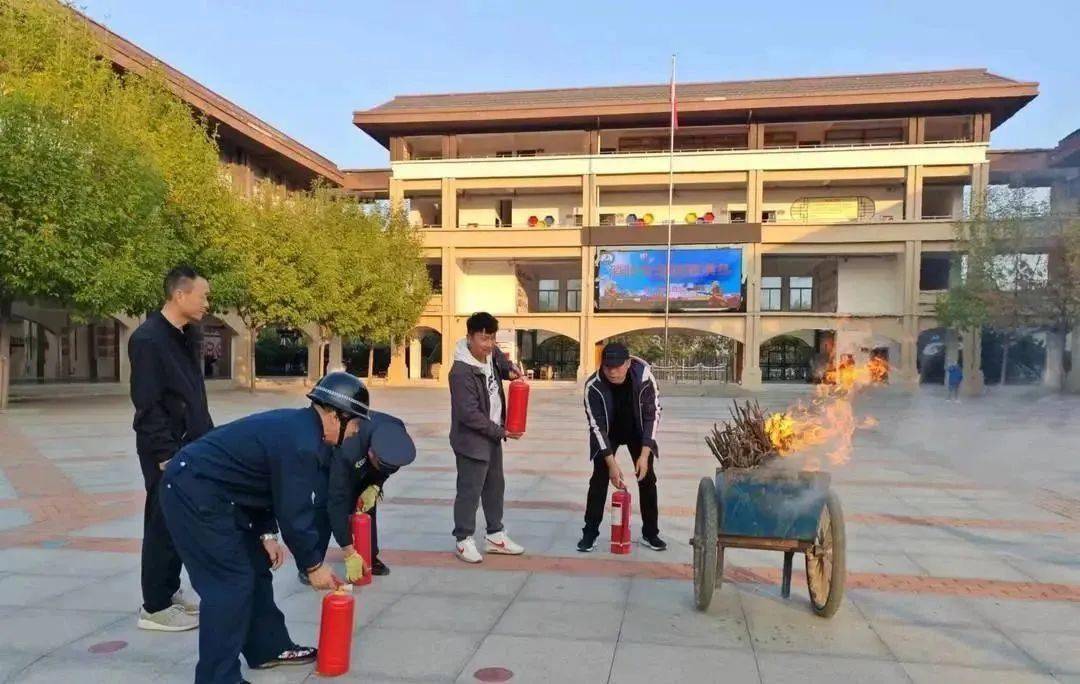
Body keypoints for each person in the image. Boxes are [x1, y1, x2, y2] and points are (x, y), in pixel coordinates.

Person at [160, 372, 365, 684]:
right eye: (355, 425)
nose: (355, 433)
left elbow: (267, 484)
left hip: (220, 493)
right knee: (228, 585)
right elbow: (294, 511)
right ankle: (218, 678)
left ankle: (267, 647)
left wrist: (266, 533)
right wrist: (313, 565)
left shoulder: (303, 432)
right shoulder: (301, 442)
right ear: (337, 415)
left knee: (254, 568)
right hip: (194, 491)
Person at [128, 265, 213, 632]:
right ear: (180, 295)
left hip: (191, 445)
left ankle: (169, 591)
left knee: (177, 521)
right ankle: (155, 607)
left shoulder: (185, 335)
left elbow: (191, 397)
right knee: (162, 524)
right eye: (203, 295)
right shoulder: (148, 340)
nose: (207, 303)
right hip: (166, 452)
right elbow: (147, 405)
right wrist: (165, 456)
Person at [449, 312, 525, 563]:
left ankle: (495, 535)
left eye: (492, 338)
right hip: (472, 439)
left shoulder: (491, 354)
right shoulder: (460, 371)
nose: (488, 344)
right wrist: (502, 432)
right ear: (469, 337)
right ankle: (463, 540)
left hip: (491, 435)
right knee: (470, 490)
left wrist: (511, 370)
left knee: (495, 487)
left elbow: (501, 362)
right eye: (483, 339)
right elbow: (469, 414)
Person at [579, 342, 666, 553]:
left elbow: (652, 416)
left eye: (618, 366)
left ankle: (650, 533)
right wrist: (611, 464)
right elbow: (596, 427)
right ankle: (590, 533)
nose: (613, 371)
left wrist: (645, 454)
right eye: (608, 366)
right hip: (609, 432)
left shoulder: (645, 378)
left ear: (628, 363)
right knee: (599, 479)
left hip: (637, 430)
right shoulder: (594, 385)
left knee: (647, 478)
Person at [326, 408, 417, 581]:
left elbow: (389, 467)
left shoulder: (395, 430)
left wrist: (375, 486)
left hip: (364, 464)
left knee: (367, 507)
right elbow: (336, 501)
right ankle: (311, 563)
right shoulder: (348, 447)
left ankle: (369, 556)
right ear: (370, 453)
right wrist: (348, 551)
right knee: (330, 507)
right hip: (334, 461)